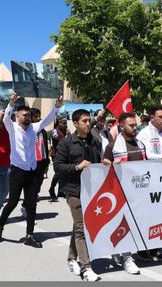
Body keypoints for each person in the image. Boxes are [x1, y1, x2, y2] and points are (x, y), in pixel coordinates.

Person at [0, 93, 62, 248]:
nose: (27, 117)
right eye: (24, 115)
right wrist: (11, 102)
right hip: (17, 171)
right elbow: (5, 118)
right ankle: (0, 226)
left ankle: (29, 236)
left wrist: (56, 107)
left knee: (31, 204)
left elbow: (47, 120)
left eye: (29, 115)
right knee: (12, 202)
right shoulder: (13, 128)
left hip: (32, 171)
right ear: (17, 117)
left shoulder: (34, 128)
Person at [54, 109, 103, 281]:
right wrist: (76, 167)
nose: (88, 123)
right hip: (74, 190)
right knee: (82, 228)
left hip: (92, 191)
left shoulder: (95, 142)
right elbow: (57, 166)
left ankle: (71, 257)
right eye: (84, 121)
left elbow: (98, 163)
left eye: (89, 120)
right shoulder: (66, 143)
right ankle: (86, 267)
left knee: (79, 225)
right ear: (75, 124)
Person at [101, 112, 147, 275]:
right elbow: (104, 166)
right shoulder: (112, 146)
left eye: (135, 125)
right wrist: (110, 163)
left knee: (133, 225)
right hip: (118, 192)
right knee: (123, 225)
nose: (135, 128)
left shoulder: (141, 144)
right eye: (131, 125)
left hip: (137, 192)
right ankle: (127, 257)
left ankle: (121, 251)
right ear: (121, 126)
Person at [134, 104, 162, 262]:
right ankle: (143, 249)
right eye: (160, 117)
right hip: (150, 180)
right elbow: (144, 153)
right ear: (152, 118)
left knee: (161, 216)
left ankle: (155, 249)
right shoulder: (144, 134)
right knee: (148, 217)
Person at [49, 117, 69, 200]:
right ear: (58, 123)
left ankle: (60, 191)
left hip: (64, 154)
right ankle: (52, 188)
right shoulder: (55, 130)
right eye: (62, 123)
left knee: (63, 173)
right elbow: (54, 136)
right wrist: (56, 136)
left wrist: (69, 134)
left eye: (65, 123)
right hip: (56, 155)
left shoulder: (65, 131)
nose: (64, 124)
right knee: (58, 173)